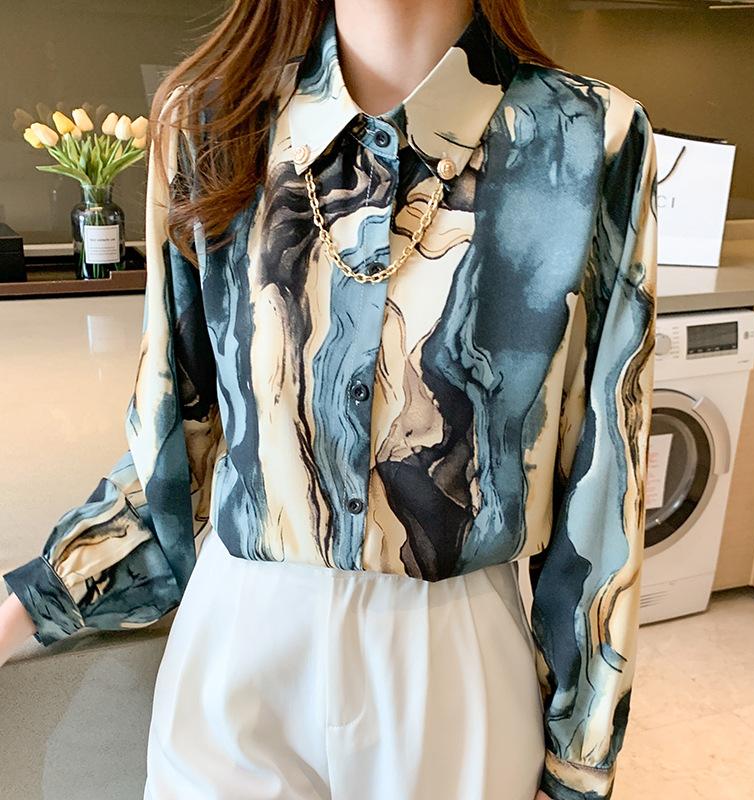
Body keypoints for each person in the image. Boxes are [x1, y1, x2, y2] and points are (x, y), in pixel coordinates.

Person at [0, 0, 658, 798]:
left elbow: (603, 484)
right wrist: (31, 600)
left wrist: (579, 760)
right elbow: (179, 442)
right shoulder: (209, 123)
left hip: (451, 669)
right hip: (237, 648)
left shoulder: (589, 137)